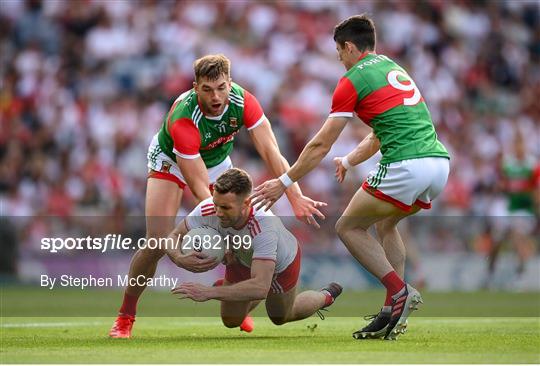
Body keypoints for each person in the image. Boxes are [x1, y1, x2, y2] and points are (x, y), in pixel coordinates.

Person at [251, 15, 450, 340]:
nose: (340, 59)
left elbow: (319, 144)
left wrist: (284, 182)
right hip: (438, 163)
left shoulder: (352, 80)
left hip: (406, 164)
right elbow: (376, 136)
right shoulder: (391, 68)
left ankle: (400, 291)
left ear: (349, 46)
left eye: (339, 52)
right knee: (386, 225)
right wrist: (349, 159)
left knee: (348, 226)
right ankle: (390, 311)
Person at [109, 54, 325, 338]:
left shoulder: (244, 101)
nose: (216, 96)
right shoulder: (184, 119)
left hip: (217, 161)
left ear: (230, 83)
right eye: (208, 89)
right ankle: (126, 314)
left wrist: (294, 194)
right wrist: (190, 248)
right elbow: (201, 190)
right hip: (171, 162)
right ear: (195, 86)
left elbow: (271, 151)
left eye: (221, 87)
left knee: (242, 227)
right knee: (157, 242)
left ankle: (237, 300)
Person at [168, 168, 342, 327]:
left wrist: (209, 292)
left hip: (282, 264)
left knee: (281, 317)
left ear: (246, 203)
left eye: (226, 207)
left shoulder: (263, 225)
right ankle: (241, 290)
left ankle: (325, 296)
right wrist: (178, 257)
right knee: (230, 322)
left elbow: (260, 288)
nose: (218, 212)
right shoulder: (208, 208)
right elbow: (173, 236)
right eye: (216, 204)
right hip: (242, 258)